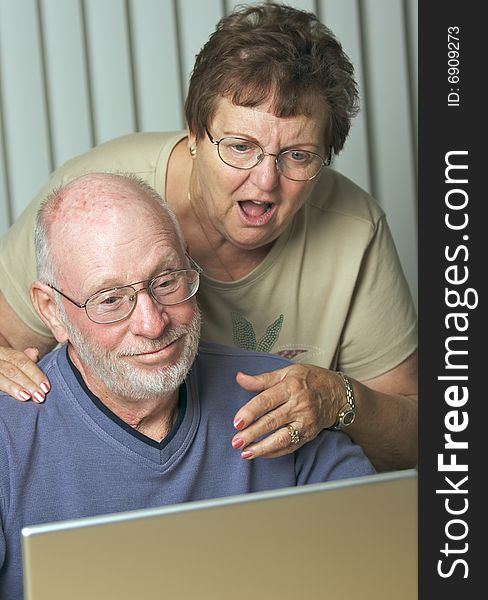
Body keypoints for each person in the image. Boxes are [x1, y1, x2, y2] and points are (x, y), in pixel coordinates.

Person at [0, 2, 417, 472]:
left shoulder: (354, 230)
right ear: (196, 131)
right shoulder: (92, 201)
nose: (265, 182)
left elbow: (413, 441)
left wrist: (337, 398)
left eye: (298, 155)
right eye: (240, 147)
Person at [0, 172, 374, 598]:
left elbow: (377, 557)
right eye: (110, 300)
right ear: (51, 311)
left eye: (166, 281)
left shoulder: (279, 396)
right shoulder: (7, 435)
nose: (152, 323)